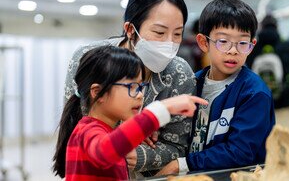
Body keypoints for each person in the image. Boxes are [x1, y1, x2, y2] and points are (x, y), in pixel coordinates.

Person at [63, 0, 196, 175]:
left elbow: (176, 147)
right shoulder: (92, 59)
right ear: (130, 29)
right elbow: (81, 134)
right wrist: (147, 122)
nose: (169, 43)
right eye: (159, 32)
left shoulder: (179, 73)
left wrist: (140, 153)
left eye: (177, 34)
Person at [157, 0, 275, 175]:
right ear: (204, 42)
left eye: (243, 43)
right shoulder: (190, 83)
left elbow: (241, 152)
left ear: (252, 46)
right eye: (223, 41)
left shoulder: (254, 93)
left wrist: (183, 164)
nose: (233, 50)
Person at [53, 46, 208, 180]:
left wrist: (141, 130)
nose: (140, 94)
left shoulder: (103, 130)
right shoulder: (88, 131)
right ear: (97, 92)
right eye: (131, 87)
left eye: (141, 86)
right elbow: (105, 151)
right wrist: (160, 110)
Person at [247, 14, 289, 131]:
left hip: (261, 101)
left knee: (264, 139)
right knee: (286, 139)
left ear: (261, 27)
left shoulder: (253, 46)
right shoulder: (287, 45)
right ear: (277, 27)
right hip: (286, 101)